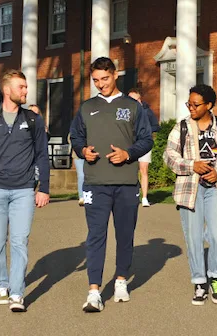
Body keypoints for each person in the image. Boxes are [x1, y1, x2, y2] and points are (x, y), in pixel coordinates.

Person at [70, 57, 153, 312]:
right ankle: (94, 291)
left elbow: (146, 140)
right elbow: (76, 137)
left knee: (125, 235)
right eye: (95, 80)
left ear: (115, 75)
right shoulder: (86, 107)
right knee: (95, 236)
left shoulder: (133, 106)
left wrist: (128, 154)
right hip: (96, 183)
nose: (100, 84)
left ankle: (120, 281)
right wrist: (83, 150)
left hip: (126, 183)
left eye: (104, 79)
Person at [0, 69, 50, 313]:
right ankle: (1, 284)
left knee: (19, 242)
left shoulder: (33, 120)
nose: (25, 91)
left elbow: (41, 155)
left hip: (23, 191)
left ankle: (17, 293)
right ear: (6, 90)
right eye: (21, 87)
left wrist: (44, 188)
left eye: (26, 87)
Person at [164, 84, 217, 306]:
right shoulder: (181, 128)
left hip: (216, 188)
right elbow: (169, 156)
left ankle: (216, 277)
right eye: (189, 104)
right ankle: (199, 282)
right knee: (194, 237)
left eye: (196, 104)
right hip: (190, 188)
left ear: (209, 105)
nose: (191, 108)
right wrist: (191, 165)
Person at [127, 87, 160, 207]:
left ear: (140, 100)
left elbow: (156, 126)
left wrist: (145, 131)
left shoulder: (147, 111)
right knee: (131, 170)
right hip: (130, 144)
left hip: (144, 144)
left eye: (134, 99)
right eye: (129, 99)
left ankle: (145, 197)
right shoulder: (126, 111)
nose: (131, 102)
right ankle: (133, 196)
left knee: (143, 170)